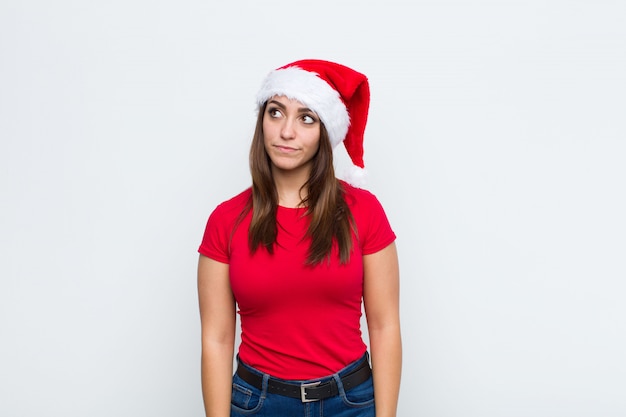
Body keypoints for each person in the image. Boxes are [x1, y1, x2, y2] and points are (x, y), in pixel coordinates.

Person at [197, 59, 401, 417]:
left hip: (350, 403)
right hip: (258, 403)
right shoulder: (225, 220)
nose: (286, 131)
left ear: (325, 130)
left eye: (306, 118)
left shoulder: (364, 212)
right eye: (276, 113)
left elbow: (384, 327)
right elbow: (216, 339)